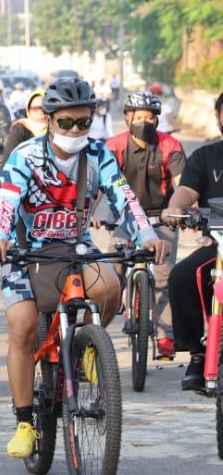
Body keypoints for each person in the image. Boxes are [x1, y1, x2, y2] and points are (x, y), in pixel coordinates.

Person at [0, 78, 167, 457]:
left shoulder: (99, 155)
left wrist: (146, 234)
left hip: (76, 246)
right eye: (66, 123)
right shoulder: (25, 156)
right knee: (21, 327)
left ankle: (87, 347)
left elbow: (125, 197)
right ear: (50, 120)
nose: (74, 130)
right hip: (26, 250)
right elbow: (4, 203)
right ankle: (24, 422)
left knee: (110, 286)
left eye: (82, 122)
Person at [102, 91, 184, 361]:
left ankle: (165, 336)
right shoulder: (113, 145)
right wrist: (91, 213)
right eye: (138, 117)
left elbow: (183, 183)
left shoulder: (170, 145)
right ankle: (107, 315)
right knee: (112, 270)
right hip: (125, 218)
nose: (144, 122)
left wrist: (184, 211)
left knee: (164, 276)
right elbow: (99, 187)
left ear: (157, 120)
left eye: (150, 117)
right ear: (127, 117)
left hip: (164, 216)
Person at [163, 94, 223, 390]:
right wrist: (176, 208)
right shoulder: (206, 157)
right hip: (220, 246)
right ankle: (198, 354)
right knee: (183, 275)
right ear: (218, 118)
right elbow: (185, 190)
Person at [4, 89, 48, 154]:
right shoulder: (21, 128)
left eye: (43, 107)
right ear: (28, 110)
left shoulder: (55, 128)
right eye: (34, 108)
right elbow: (9, 157)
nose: (39, 111)